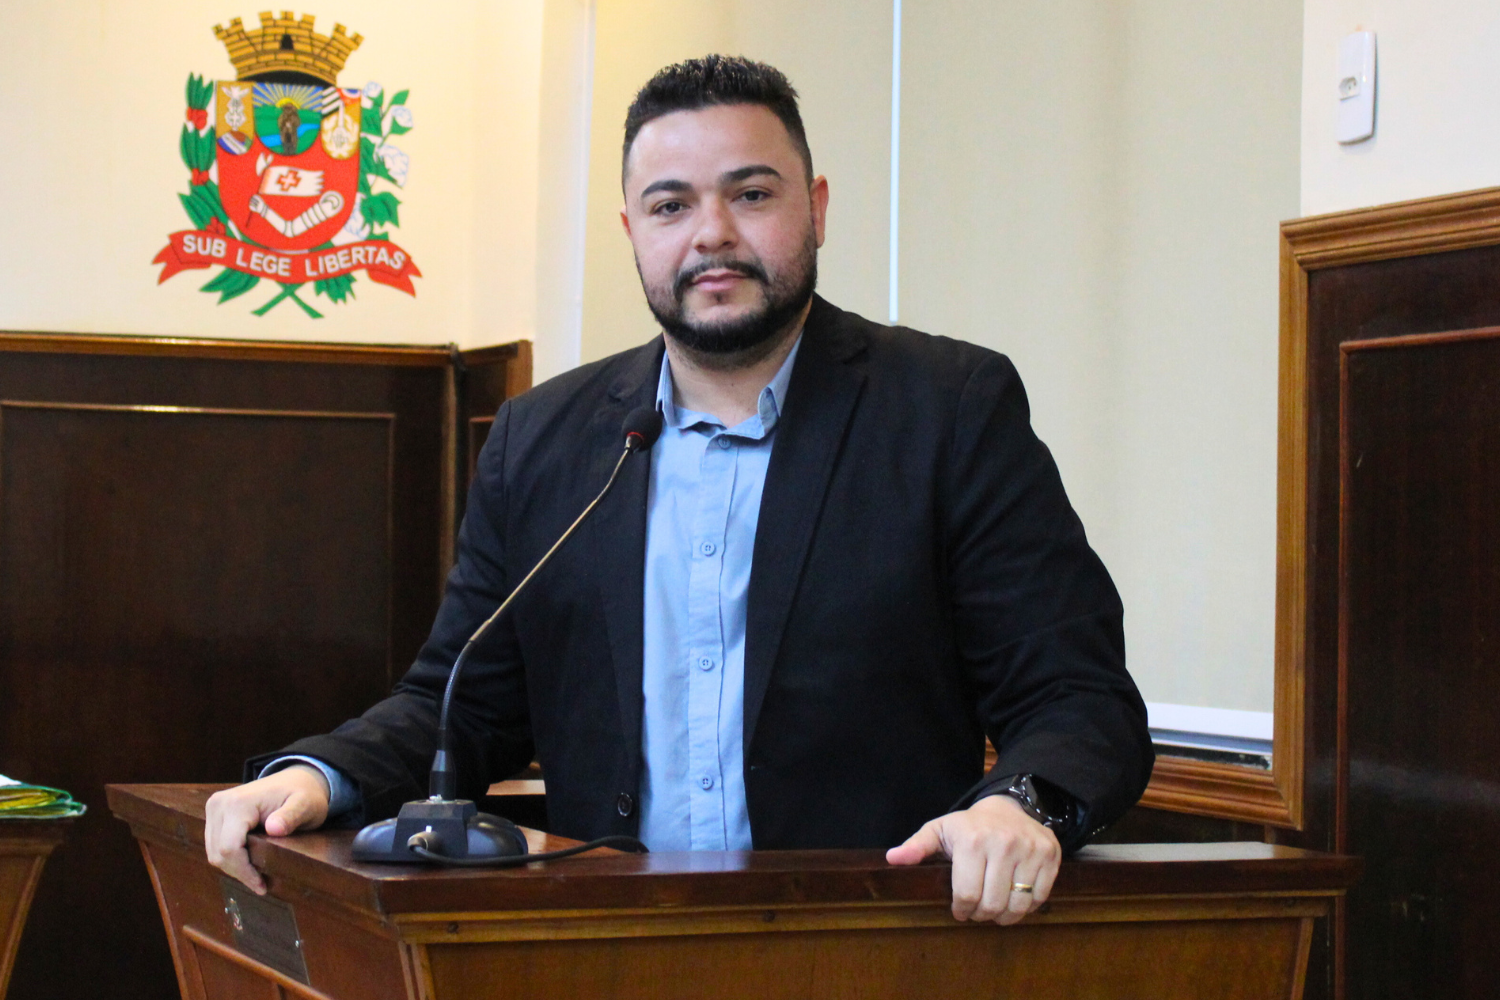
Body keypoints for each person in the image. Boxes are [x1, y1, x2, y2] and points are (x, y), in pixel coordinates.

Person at [206, 55, 1152, 927]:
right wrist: (320, 774)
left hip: (864, 940)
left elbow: (1077, 696)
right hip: (610, 945)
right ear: (632, 232)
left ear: (817, 208)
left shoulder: (947, 411)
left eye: (752, 194)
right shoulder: (543, 440)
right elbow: (461, 703)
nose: (713, 235)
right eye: (671, 205)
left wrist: (1019, 805)